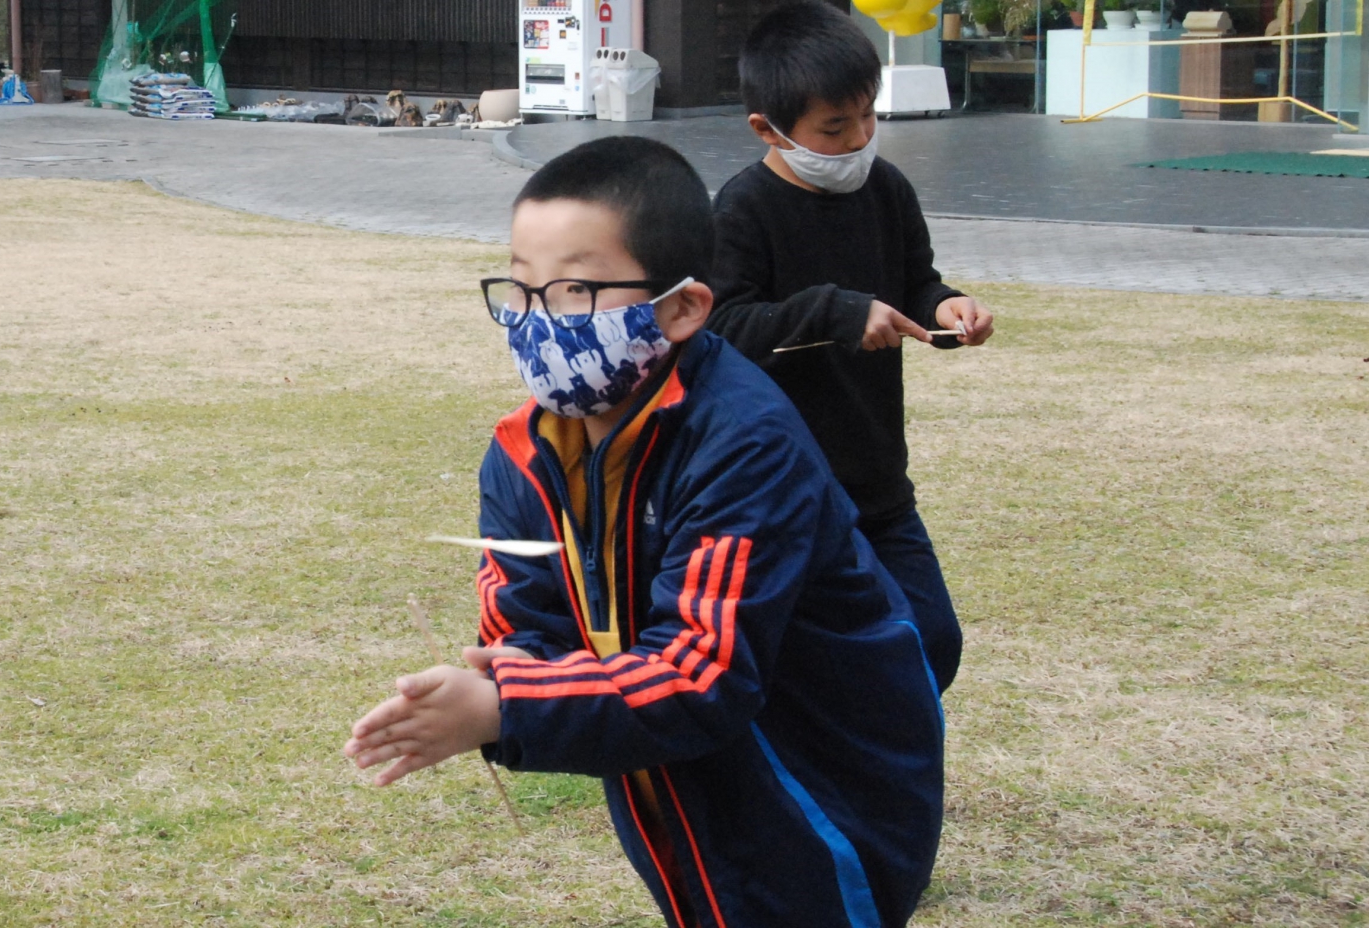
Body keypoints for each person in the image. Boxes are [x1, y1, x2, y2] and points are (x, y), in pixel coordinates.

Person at [345, 136, 945, 928]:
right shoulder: (523, 454)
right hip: (672, 778)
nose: (534, 321)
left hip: (821, 784)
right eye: (520, 290)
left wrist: (504, 708)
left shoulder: (743, 443)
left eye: (574, 292)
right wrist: (509, 669)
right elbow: (527, 620)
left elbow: (705, 676)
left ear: (684, 307)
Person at [706, 1, 995, 694]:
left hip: (876, 477)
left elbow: (914, 281)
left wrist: (945, 306)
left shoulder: (886, 189)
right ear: (767, 129)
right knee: (805, 662)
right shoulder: (743, 210)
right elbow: (721, 328)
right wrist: (835, 312)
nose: (860, 138)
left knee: (932, 640)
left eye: (867, 116)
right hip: (782, 488)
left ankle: (880, 777)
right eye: (835, 128)